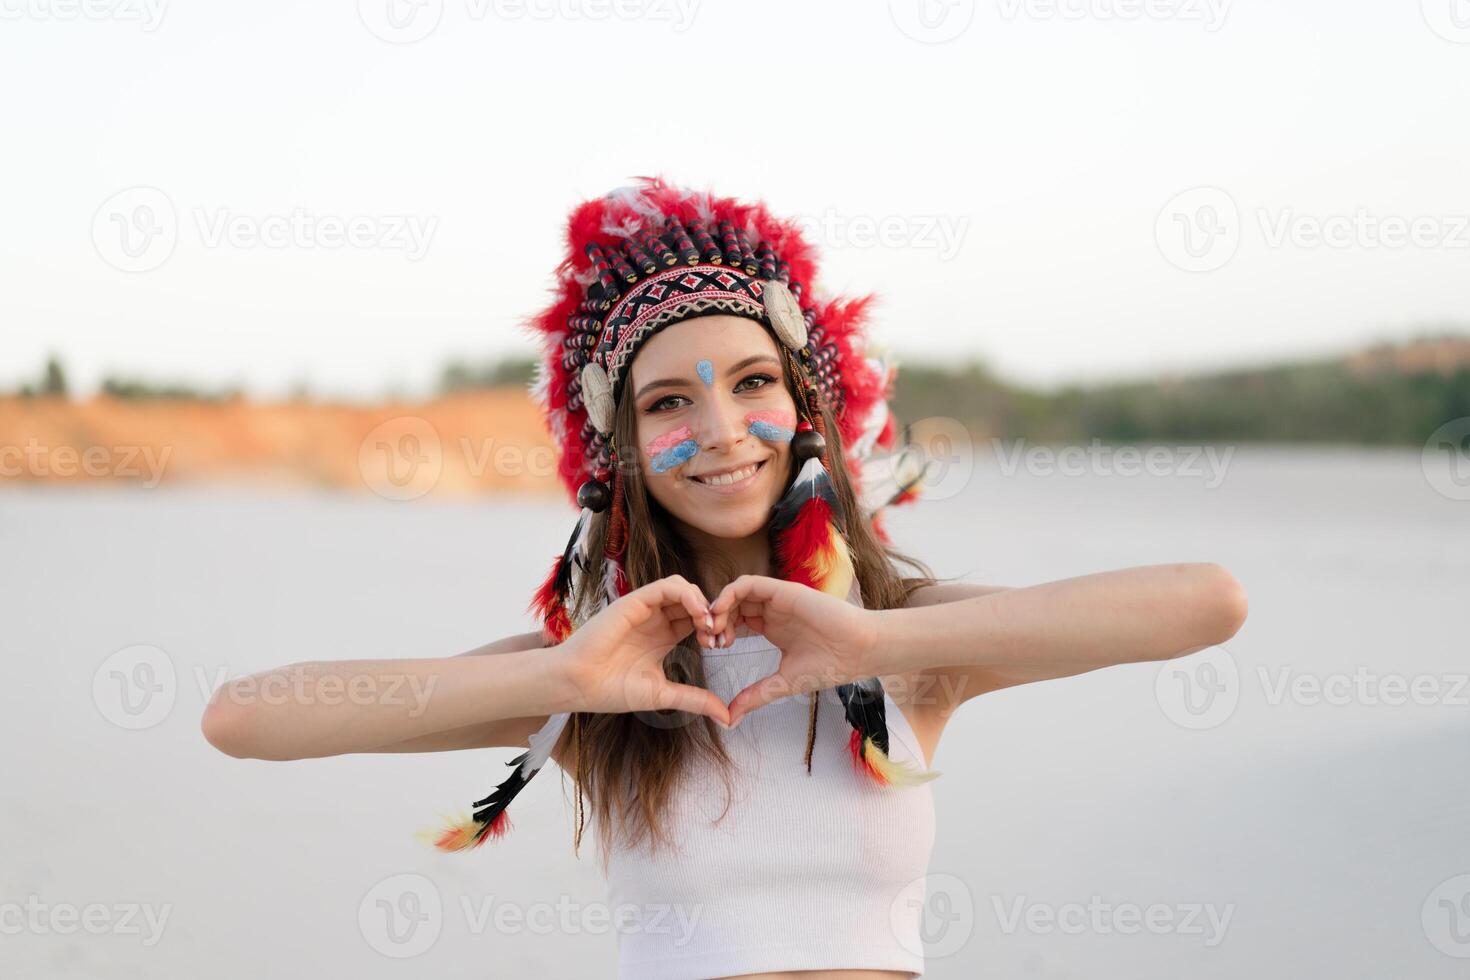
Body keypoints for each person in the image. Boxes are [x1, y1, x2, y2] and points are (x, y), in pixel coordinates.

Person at [201, 177, 1248, 979]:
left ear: (806, 409)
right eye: (667, 403)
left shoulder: (904, 639)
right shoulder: (598, 676)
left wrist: (878, 643)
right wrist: (558, 681)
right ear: (616, 449)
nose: (718, 431)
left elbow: (1207, 602)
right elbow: (245, 718)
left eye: (753, 382)